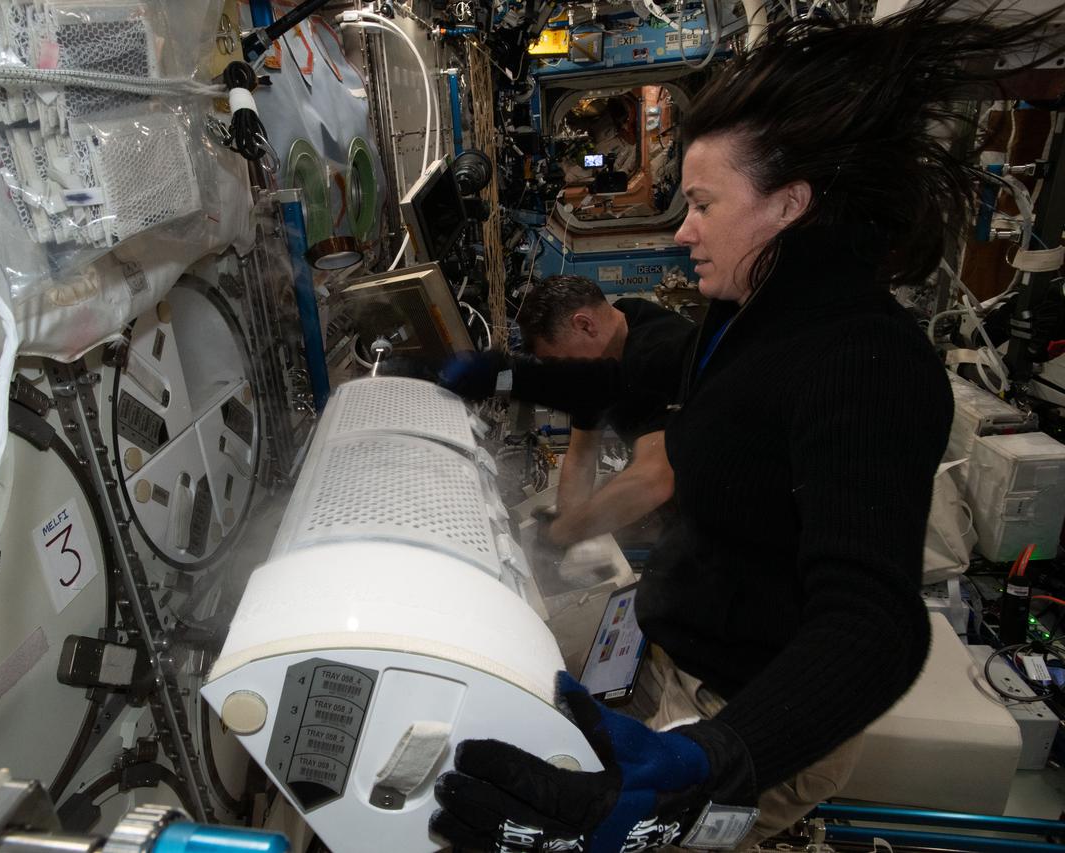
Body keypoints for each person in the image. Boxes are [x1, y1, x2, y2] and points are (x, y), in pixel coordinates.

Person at [432, 1, 1056, 850]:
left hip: (756, 723)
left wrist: (712, 759)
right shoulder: (745, 323)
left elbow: (874, 622)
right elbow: (622, 379)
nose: (682, 228)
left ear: (788, 205)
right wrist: (486, 375)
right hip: (682, 666)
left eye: (701, 204)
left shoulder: (864, 358)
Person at [514, 276, 692, 548]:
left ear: (584, 324)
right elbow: (582, 453)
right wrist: (566, 524)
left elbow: (653, 479)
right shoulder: (623, 320)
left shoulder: (656, 354)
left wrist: (562, 533)